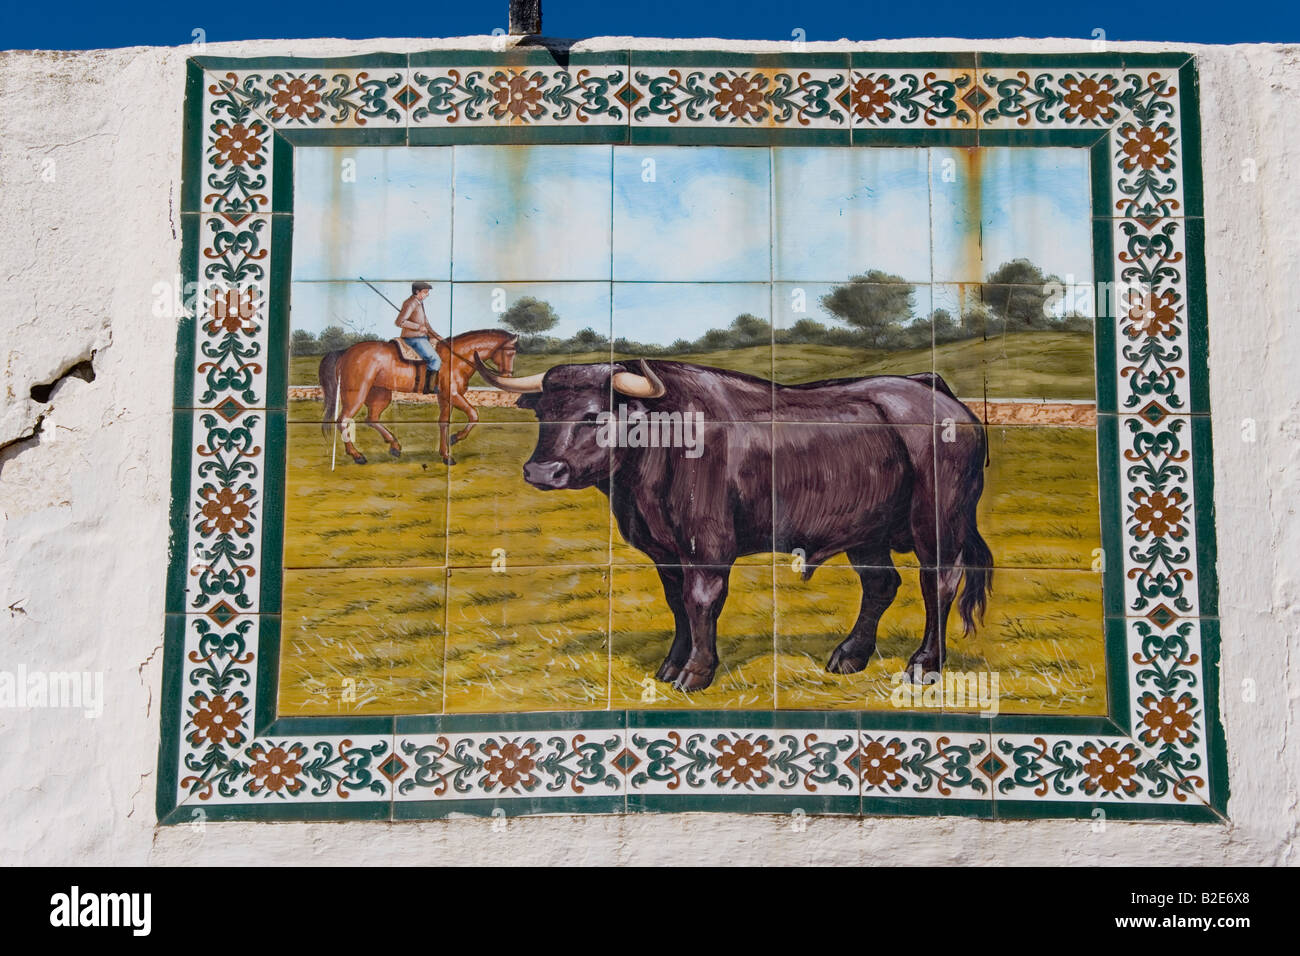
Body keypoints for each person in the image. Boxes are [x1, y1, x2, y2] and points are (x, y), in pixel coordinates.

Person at [395, 281, 444, 378]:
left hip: (422, 337)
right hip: (414, 338)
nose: (427, 294)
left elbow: (426, 324)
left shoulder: (419, 303)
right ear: (417, 292)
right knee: (435, 360)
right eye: (425, 292)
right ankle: (428, 388)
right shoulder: (411, 303)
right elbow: (400, 322)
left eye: (427, 292)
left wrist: (436, 335)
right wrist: (418, 327)